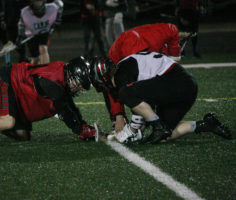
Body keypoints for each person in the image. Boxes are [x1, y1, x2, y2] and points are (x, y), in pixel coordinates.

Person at [0, 57, 97, 146]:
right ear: (70, 75)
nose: (78, 89)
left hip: (17, 92)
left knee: (22, 135)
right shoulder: (53, 83)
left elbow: (67, 104)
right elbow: (65, 108)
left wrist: (81, 126)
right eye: (77, 84)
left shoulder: (61, 77)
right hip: (4, 81)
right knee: (6, 122)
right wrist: (80, 129)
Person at [89, 52, 231, 144]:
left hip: (175, 81)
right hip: (186, 86)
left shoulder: (122, 73)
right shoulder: (125, 68)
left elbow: (134, 99)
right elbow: (144, 104)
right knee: (165, 136)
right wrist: (136, 128)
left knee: (126, 94)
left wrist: (132, 130)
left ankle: (159, 127)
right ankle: (205, 124)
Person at [94, 23, 188, 133]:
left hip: (147, 58)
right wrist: (119, 116)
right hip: (137, 56)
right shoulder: (129, 50)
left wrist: (174, 52)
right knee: (126, 90)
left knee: (137, 93)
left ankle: (148, 122)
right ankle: (122, 120)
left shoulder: (161, 35)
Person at [17, 0, 63, 64]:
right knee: (35, 58)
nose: (38, 3)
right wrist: (21, 37)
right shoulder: (25, 12)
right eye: (36, 1)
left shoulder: (51, 8)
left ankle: (45, 71)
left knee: (43, 48)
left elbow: (60, 4)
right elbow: (21, 25)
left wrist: (58, 19)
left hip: (44, 33)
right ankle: (33, 72)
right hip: (31, 35)